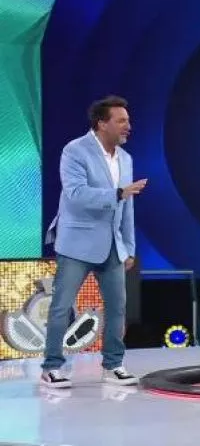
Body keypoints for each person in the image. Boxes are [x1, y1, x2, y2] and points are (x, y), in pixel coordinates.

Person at [41, 95, 148, 388]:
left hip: (113, 245)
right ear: (102, 123)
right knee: (62, 307)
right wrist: (117, 193)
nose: (128, 126)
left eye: (128, 120)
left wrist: (129, 247)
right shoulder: (75, 151)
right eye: (121, 121)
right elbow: (75, 193)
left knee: (117, 308)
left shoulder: (125, 159)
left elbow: (127, 207)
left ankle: (113, 365)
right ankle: (52, 367)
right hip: (77, 243)